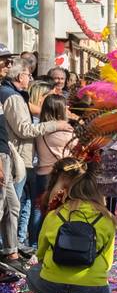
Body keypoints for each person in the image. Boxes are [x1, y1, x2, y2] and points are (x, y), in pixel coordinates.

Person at [0, 56, 73, 265]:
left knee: (15, 206)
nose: (29, 78)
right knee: (12, 206)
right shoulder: (12, 97)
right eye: (28, 75)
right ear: (20, 75)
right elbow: (24, 129)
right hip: (15, 158)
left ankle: (12, 250)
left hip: (19, 159)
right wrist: (55, 125)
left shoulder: (15, 95)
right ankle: (10, 250)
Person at [28, 160, 116, 293]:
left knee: (33, 273)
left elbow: (41, 253)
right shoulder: (107, 219)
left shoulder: (55, 215)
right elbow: (108, 261)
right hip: (90, 283)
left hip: (52, 282)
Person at [29, 94, 75, 247]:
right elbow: (79, 147)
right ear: (60, 109)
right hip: (58, 177)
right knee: (57, 211)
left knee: (38, 212)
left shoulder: (40, 130)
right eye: (65, 106)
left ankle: (34, 244)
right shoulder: (65, 131)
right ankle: (51, 243)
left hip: (41, 174)